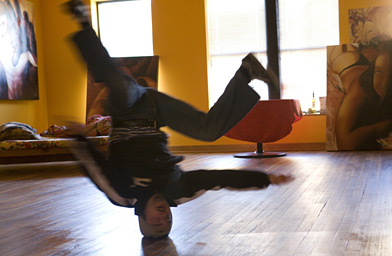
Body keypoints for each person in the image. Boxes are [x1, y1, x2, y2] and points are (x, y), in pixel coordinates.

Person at [65, 0, 294, 239]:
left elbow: (96, 168)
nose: (164, 216)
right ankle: (247, 71)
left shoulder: (122, 194)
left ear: (143, 218)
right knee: (208, 131)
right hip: (156, 114)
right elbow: (218, 179)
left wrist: (79, 140)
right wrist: (265, 178)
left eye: (157, 222)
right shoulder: (179, 190)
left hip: (128, 111)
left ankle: (82, 21)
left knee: (118, 84)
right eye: (167, 221)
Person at [328, 41, 392, 150]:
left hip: (366, 59)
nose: (384, 83)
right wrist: (382, 127)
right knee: (344, 54)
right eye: (379, 74)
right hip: (346, 62)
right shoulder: (359, 89)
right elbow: (344, 142)